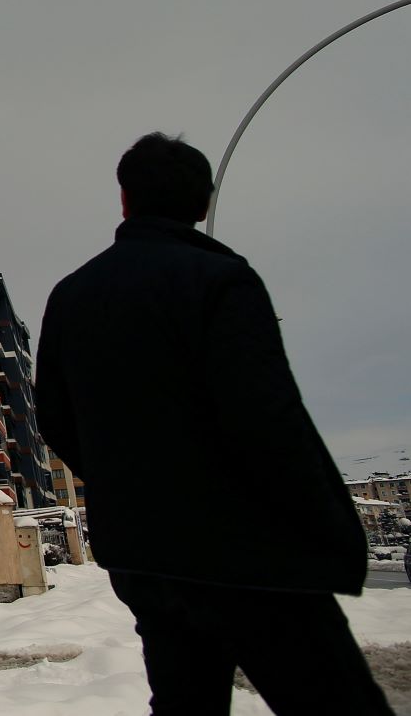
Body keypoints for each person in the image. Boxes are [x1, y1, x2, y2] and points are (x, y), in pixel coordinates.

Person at [36, 133, 389, 715]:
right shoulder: (218, 281)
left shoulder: (72, 296)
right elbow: (266, 417)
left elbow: (55, 417)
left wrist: (123, 485)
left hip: (146, 556)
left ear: (124, 200)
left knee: (185, 703)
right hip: (249, 555)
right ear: (203, 204)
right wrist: (321, 523)